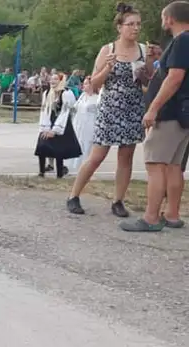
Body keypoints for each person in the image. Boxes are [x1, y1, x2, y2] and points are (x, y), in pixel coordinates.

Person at [66, 2, 154, 216]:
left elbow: (149, 81)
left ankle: (118, 201)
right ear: (120, 27)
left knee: (126, 157)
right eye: (130, 24)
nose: (135, 28)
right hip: (110, 108)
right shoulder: (108, 49)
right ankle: (74, 195)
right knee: (97, 156)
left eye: (138, 24)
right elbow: (93, 84)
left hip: (133, 108)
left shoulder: (143, 50)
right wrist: (108, 67)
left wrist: (147, 69)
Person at [121, 1, 189, 231]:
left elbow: (175, 77)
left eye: (163, 17)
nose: (162, 21)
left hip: (169, 113)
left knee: (156, 163)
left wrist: (153, 108)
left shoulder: (182, 41)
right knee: (173, 166)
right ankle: (171, 215)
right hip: (181, 115)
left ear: (170, 18)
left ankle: (151, 218)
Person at [35, 73, 81, 178]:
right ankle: (41, 171)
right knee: (42, 146)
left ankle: (60, 174)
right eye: (51, 79)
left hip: (61, 123)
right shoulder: (47, 93)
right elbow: (44, 110)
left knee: (58, 150)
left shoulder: (65, 93)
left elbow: (65, 112)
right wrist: (44, 128)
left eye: (55, 79)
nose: (52, 81)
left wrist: (55, 130)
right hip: (49, 121)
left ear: (61, 81)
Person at [71, 76, 100, 171]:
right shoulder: (83, 96)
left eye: (86, 83)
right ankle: (77, 167)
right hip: (79, 124)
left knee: (88, 146)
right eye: (84, 83)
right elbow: (75, 108)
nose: (84, 85)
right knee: (79, 144)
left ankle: (87, 168)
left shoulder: (97, 98)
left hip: (90, 125)